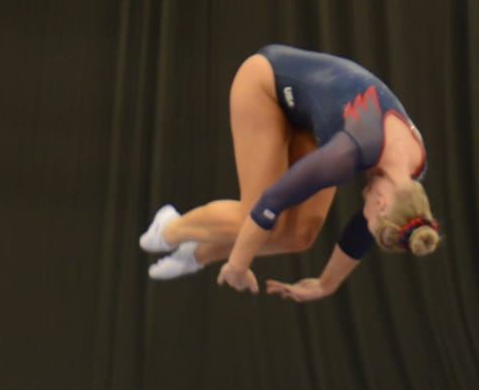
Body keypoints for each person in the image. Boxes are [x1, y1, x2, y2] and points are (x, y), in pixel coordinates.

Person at [141, 45, 440, 300]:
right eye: (371, 219)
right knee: (252, 218)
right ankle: (168, 229)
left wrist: (326, 285)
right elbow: (271, 202)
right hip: (266, 83)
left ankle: (194, 255)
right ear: (382, 204)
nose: (365, 218)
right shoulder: (348, 154)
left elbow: (360, 233)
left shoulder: (408, 183)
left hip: (314, 117)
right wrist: (237, 265)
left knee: (299, 236)